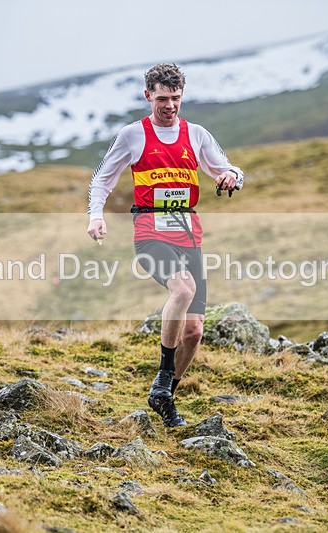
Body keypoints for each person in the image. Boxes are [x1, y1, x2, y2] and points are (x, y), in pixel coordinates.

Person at [87, 63, 244, 427]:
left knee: (194, 331)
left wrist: (231, 177)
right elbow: (102, 179)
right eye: (162, 99)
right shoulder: (133, 135)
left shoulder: (197, 135)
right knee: (183, 288)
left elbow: (230, 169)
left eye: (175, 98)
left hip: (188, 234)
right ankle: (162, 373)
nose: (169, 106)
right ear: (148, 96)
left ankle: (164, 394)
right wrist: (95, 216)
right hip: (150, 231)